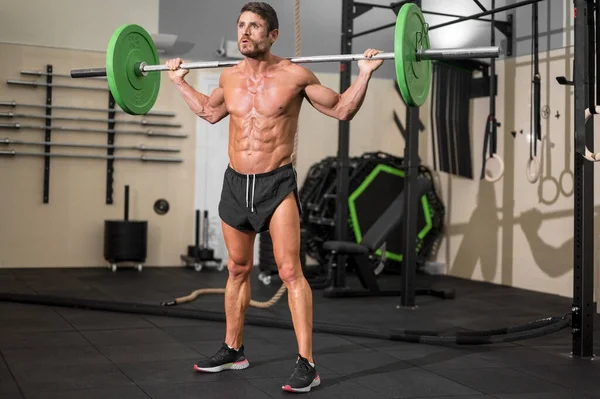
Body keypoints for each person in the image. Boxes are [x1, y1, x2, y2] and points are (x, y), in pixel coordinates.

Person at [166, 1, 383, 393]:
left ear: (272, 35)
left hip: (276, 183)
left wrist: (365, 73)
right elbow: (209, 112)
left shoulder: (295, 76)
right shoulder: (229, 78)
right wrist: (179, 81)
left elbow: (341, 110)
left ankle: (307, 363)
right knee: (236, 269)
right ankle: (233, 349)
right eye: (241, 25)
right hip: (236, 184)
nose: (245, 33)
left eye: (254, 26)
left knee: (289, 272)